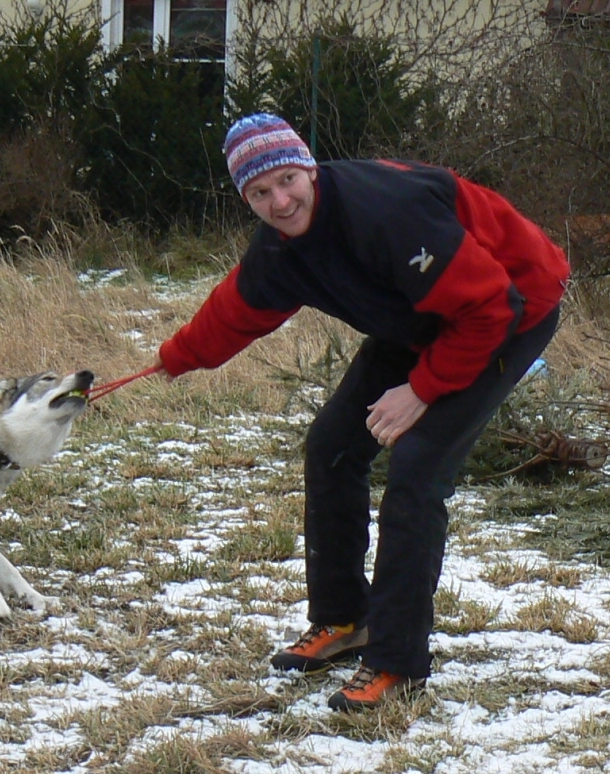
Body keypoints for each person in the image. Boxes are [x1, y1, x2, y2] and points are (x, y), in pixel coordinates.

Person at [150, 113, 569, 711]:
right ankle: (345, 620)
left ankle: (398, 663)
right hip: (420, 316)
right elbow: (237, 308)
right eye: (260, 192)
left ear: (309, 168)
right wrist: (173, 359)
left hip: (512, 305)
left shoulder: (386, 212)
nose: (280, 200)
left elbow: (487, 307)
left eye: (288, 179)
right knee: (332, 447)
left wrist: (422, 389)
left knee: (418, 468)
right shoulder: (282, 246)